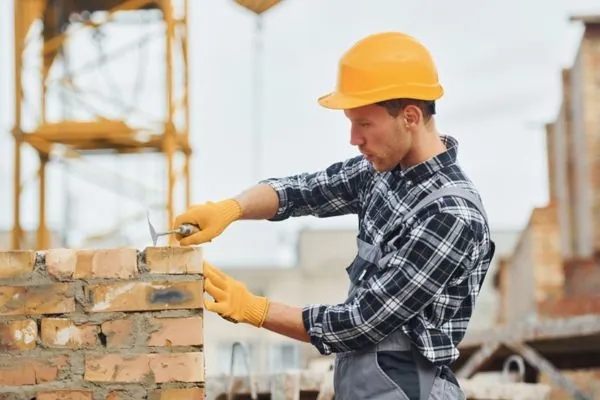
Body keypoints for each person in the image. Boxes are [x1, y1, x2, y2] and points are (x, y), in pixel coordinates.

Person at [174, 31, 495, 400]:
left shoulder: (450, 216)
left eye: (364, 124)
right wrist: (230, 209)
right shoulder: (382, 173)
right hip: (366, 385)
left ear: (409, 116)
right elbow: (302, 190)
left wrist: (255, 309)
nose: (353, 139)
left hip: (410, 388)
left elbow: (362, 322)